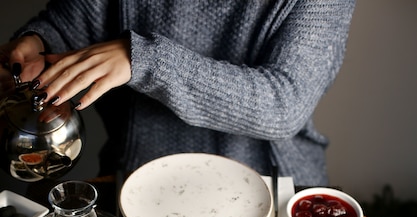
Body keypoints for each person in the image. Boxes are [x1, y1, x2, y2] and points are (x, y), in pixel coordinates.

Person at [0, 0, 356, 186]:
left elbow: (284, 104)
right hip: (140, 172)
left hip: (271, 183)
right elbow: (70, 25)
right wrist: (39, 43)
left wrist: (145, 59)